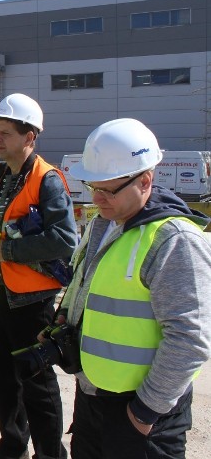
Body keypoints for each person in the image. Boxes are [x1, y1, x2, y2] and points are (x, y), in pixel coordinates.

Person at [58, 118, 211, 458]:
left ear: (145, 180)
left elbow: (190, 340)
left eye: (107, 190)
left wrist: (143, 413)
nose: (97, 199)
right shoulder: (106, 224)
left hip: (142, 415)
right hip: (94, 400)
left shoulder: (176, 241)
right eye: (93, 187)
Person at [0, 94, 76, 459]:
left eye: (6, 132)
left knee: (37, 382)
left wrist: (6, 251)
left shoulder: (47, 180)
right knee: (2, 375)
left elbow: (65, 240)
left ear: (30, 137)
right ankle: (13, 444)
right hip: (2, 295)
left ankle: (50, 453)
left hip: (33, 300)